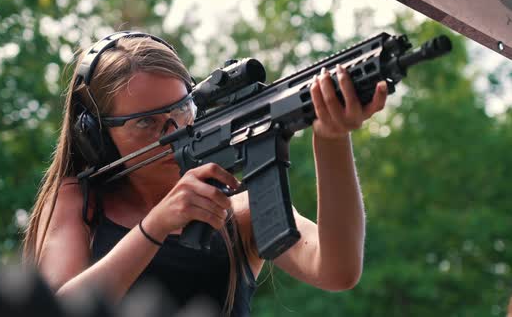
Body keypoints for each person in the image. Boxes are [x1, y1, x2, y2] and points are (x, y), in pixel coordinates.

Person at [22, 31, 388, 316]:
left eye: (181, 110)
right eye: (145, 123)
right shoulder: (80, 202)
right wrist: (154, 228)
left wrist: (332, 138)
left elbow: (338, 270)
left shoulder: (238, 210)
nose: (170, 133)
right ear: (96, 137)